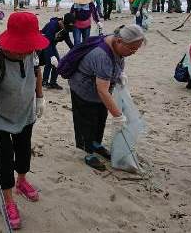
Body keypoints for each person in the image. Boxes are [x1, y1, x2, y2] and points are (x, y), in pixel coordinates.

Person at [0, 12, 48, 230]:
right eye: (24, 45)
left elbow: (37, 71)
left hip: (25, 112)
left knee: (24, 149)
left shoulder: (32, 51)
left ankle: (22, 181)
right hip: (0, 117)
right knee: (5, 158)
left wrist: (39, 97)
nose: (28, 50)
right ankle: (8, 200)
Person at [68, 25, 145, 170]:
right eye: (132, 49)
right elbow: (102, 91)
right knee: (86, 121)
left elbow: (115, 66)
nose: (133, 53)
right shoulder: (102, 55)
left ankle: (96, 144)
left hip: (99, 89)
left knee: (100, 118)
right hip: (84, 90)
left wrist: (119, 74)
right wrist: (118, 116)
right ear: (119, 41)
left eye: (136, 49)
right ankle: (88, 152)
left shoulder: (116, 44)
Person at [41, 13, 74, 89]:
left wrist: (75, 50)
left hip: (52, 44)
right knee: (49, 62)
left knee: (57, 63)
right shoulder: (52, 26)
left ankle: (53, 83)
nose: (67, 29)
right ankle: (44, 82)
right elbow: (47, 42)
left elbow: (68, 41)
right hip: (44, 44)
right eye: (66, 27)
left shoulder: (65, 29)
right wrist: (52, 56)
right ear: (62, 22)